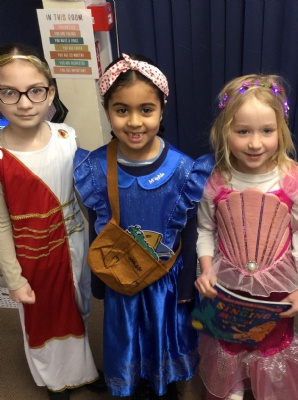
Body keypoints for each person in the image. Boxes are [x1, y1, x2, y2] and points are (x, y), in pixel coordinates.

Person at [73, 53, 213, 399]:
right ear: (107, 110)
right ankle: (132, 386)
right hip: (120, 279)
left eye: (146, 110)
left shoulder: (183, 170)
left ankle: (163, 385)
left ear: (162, 109)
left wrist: (185, 288)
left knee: (164, 340)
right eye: (122, 110)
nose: (134, 122)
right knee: (127, 340)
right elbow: (98, 229)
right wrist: (100, 285)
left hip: (167, 283)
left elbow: (190, 233)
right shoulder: (95, 167)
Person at [195, 74, 298, 400]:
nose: (255, 143)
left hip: (277, 287)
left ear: (281, 130)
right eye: (243, 131)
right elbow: (206, 230)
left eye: (267, 131)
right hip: (228, 284)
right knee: (230, 341)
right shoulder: (216, 181)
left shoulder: (296, 181)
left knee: (272, 345)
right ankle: (234, 388)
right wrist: (206, 269)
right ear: (225, 131)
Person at [0, 43, 104, 400]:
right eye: (9, 92)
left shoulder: (66, 137)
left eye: (35, 90)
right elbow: (1, 225)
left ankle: (83, 370)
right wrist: (13, 279)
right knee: (42, 318)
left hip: (74, 245)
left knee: (79, 307)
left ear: (50, 93)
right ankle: (56, 380)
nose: (24, 103)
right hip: (33, 258)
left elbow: (84, 196)